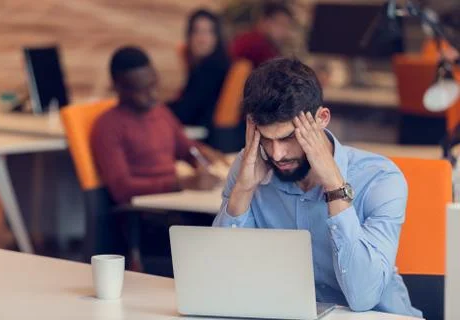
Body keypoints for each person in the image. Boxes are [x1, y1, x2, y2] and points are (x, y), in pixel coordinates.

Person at [213, 58, 422, 317]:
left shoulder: (379, 178)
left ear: (322, 118)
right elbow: (223, 282)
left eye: (289, 137)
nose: (277, 154)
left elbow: (363, 296)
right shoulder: (251, 165)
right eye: (266, 139)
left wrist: (335, 186)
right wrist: (243, 190)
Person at [91, 46, 224, 205]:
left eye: (153, 85)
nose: (153, 95)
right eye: (142, 90)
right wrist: (180, 184)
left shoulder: (161, 112)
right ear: (118, 87)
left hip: (174, 200)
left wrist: (202, 159)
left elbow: (187, 149)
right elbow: (122, 189)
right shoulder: (107, 126)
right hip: (145, 210)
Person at [168, 9, 230, 142]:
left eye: (209, 32)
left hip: (204, 136)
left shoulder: (213, 68)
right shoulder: (201, 67)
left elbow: (186, 112)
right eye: (197, 31)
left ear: (217, 37)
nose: (202, 39)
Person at [230, 2, 293, 68]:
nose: (286, 32)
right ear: (265, 21)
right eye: (282, 24)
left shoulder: (269, 46)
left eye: (287, 27)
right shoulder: (251, 43)